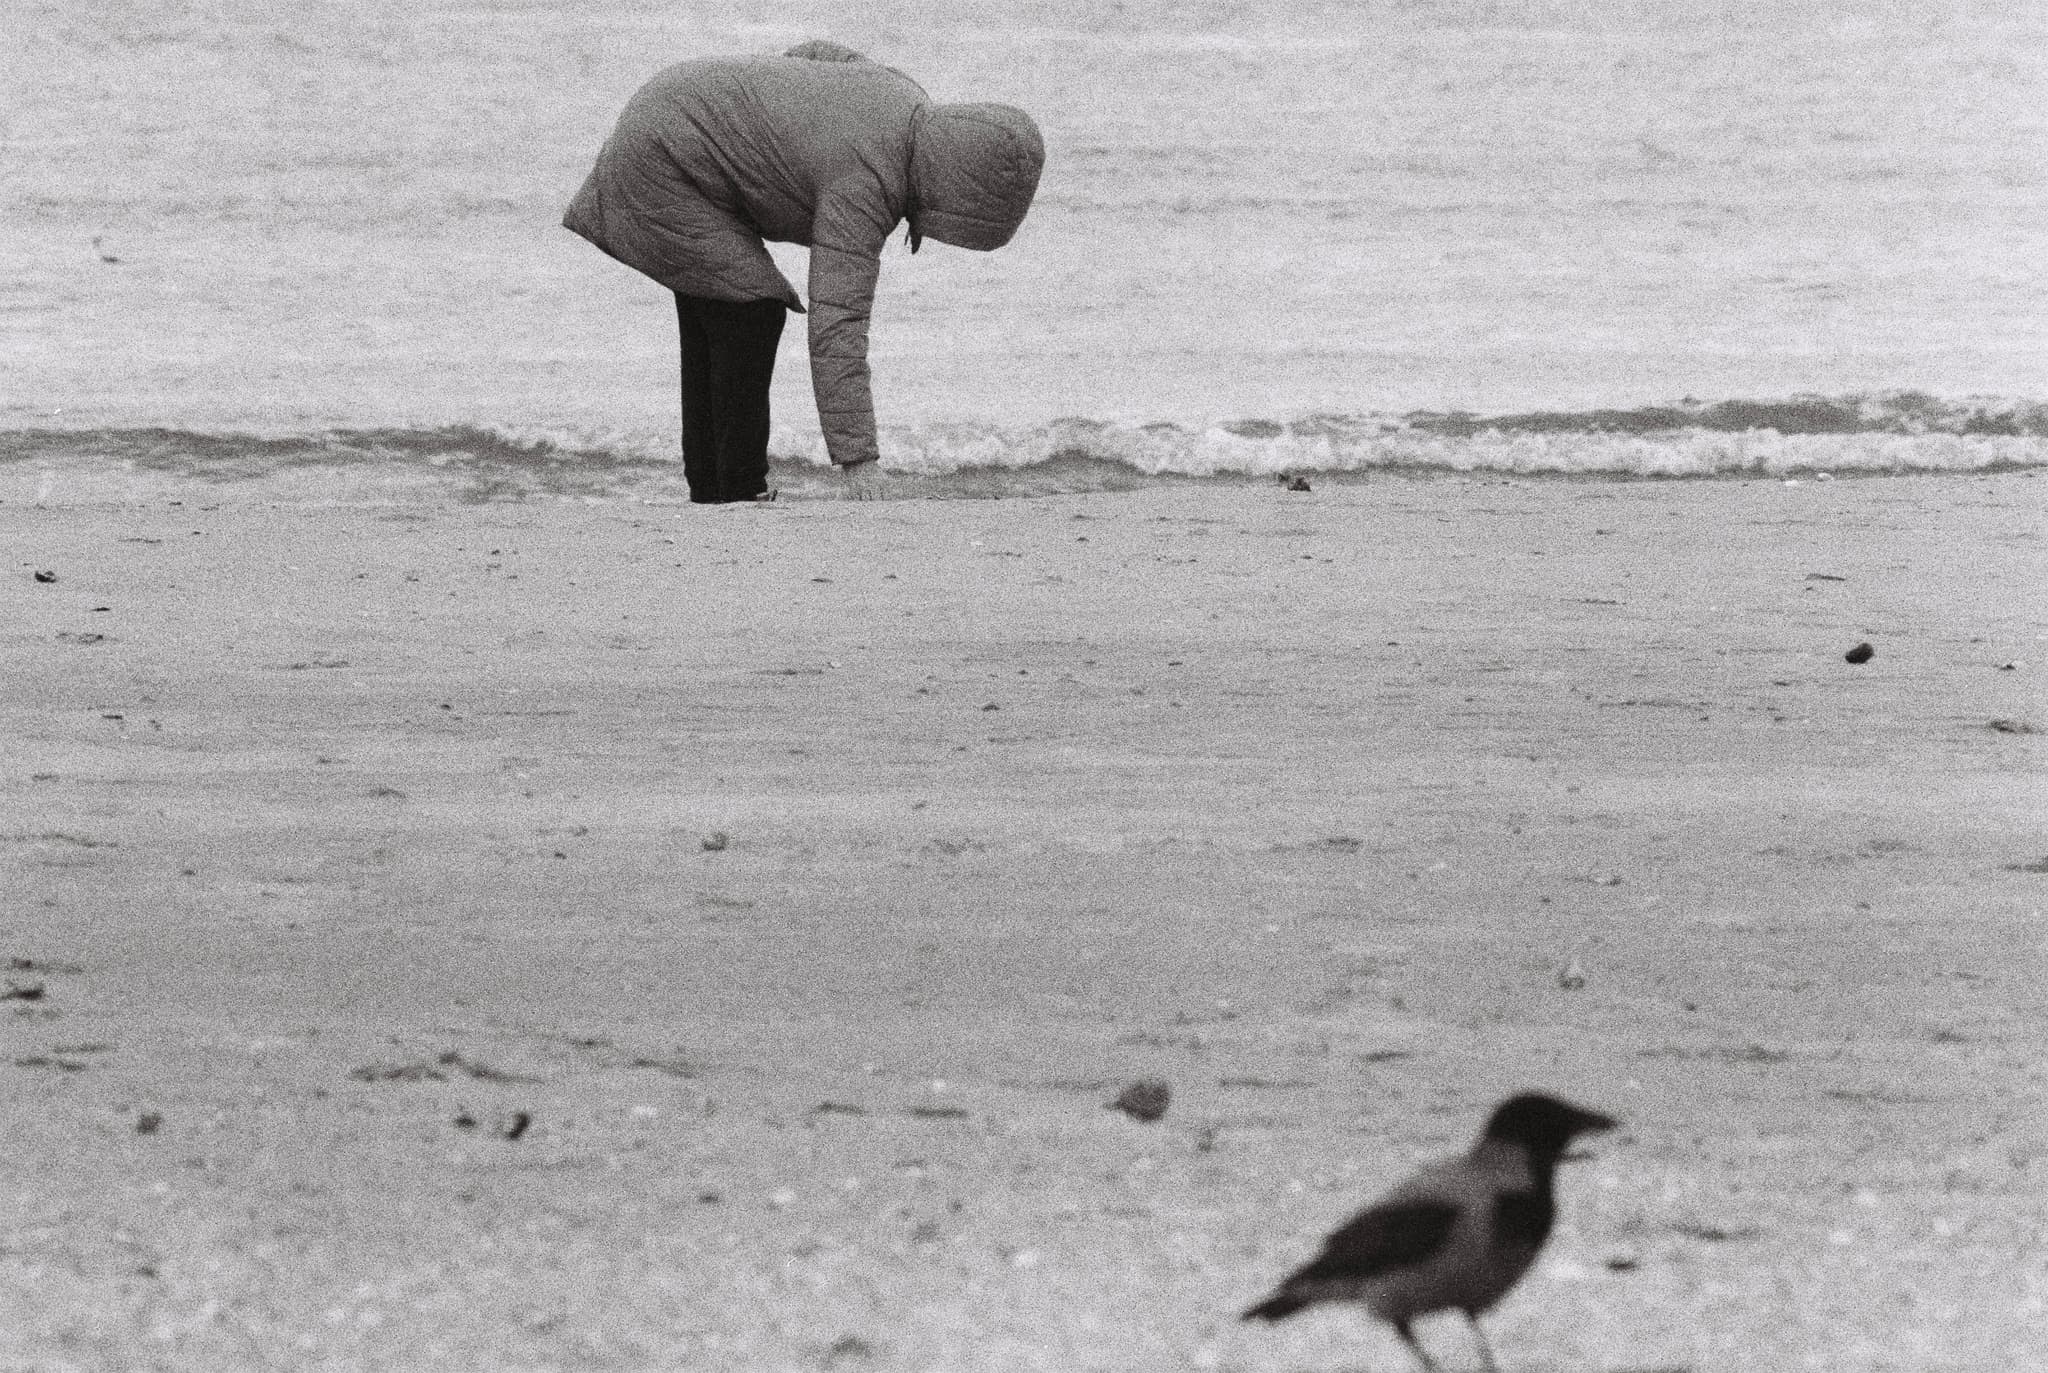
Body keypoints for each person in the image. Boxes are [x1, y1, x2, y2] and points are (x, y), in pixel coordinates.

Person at [563, 40, 1045, 503]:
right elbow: (838, 324)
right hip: (662, 159)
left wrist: (761, 111)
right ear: (954, 189)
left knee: (722, 303)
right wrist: (858, 460)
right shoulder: (865, 182)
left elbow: (816, 53)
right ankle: (737, 490)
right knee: (751, 310)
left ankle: (713, 490)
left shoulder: (904, 95)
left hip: (670, 109)